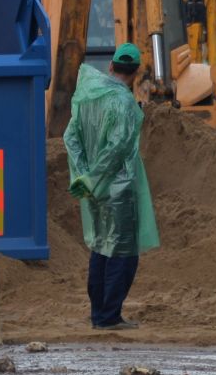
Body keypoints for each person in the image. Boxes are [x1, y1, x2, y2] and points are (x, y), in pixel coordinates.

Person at [64, 43, 159, 330]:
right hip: (118, 189)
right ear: (136, 74)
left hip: (93, 190)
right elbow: (118, 147)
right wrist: (96, 177)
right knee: (123, 253)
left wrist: (85, 176)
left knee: (102, 249)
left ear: (111, 66)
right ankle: (108, 316)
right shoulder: (124, 103)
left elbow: (71, 138)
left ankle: (99, 314)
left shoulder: (86, 96)